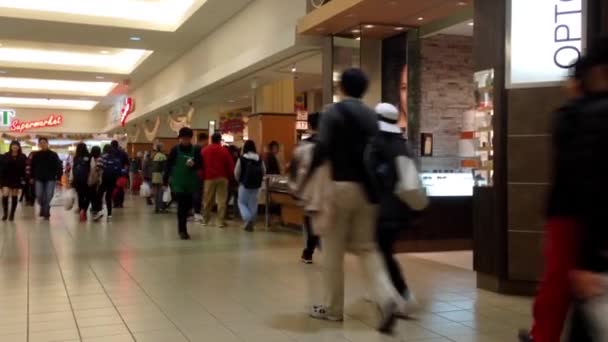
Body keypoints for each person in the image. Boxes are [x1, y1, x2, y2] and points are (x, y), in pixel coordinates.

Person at [520, 37, 608, 342]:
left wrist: (589, 259)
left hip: (572, 218)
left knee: (558, 288)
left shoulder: (577, 116)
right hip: (579, 219)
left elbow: (587, 181)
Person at [308, 68, 402, 334]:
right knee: (367, 249)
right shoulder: (371, 116)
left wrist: (305, 178)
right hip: (368, 191)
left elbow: (322, 147)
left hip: (339, 187)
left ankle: (333, 308)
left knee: (333, 251)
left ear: (341, 88)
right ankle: (387, 299)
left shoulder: (332, 113)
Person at [371, 103, 425, 317]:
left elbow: (371, 175)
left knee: (381, 253)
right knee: (383, 252)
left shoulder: (376, 144)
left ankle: (401, 297)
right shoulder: (403, 145)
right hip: (399, 209)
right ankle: (391, 295)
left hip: (382, 210)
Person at [164, 127, 202, 240]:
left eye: (187, 138)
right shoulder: (175, 150)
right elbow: (168, 165)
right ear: (180, 138)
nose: (184, 141)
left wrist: (194, 165)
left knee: (188, 206)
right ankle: (182, 230)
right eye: (183, 138)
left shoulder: (195, 150)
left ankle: (184, 224)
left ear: (190, 139)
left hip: (191, 182)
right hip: (178, 182)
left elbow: (200, 164)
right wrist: (165, 180)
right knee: (181, 207)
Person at [300, 112, 321, 264]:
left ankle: (308, 252)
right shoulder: (331, 144)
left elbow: (299, 170)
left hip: (310, 189)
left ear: (309, 125)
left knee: (310, 221)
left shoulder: (305, 145)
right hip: (328, 189)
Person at [202, 133, 234, 228]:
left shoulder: (205, 150)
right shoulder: (224, 150)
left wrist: (202, 176)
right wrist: (230, 176)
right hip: (222, 177)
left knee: (208, 200)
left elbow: (201, 164)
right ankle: (220, 221)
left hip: (209, 178)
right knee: (221, 200)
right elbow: (230, 165)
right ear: (220, 140)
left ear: (211, 140)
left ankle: (205, 220)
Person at [234, 140, 265, 232]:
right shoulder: (259, 159)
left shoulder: (242, 158)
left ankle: (248, 219)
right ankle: (251, 222)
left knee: (241, 202)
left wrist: (239, 180)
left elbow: (236, 172)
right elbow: (264, 171)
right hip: (256, 185)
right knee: (253, 203)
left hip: (244, 184)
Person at [31, 137, 62, 220]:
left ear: (47, 143)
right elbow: (32, 167)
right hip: (38, 178)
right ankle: (42, 206)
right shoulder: (36, 155)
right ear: (39, 144)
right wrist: (31, 177)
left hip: (50, 178)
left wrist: (59, 178)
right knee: (39, 195)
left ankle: (46, 212)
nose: (42, 144)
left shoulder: (53, 154)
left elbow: (59, 167)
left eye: (44, 142)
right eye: (41, 143)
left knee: (49, 196)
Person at [1, 141, 26, 221]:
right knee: (5, 194)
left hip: (16, 178)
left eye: (16, 145)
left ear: (19, 147)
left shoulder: (22, 156)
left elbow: (24, 169)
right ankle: (5, 213)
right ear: (11, 146)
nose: (15, 147)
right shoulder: (5, 155)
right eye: (13, 145)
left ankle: (12, 213)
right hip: (6, 178)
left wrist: (24, 179)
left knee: (14, 196)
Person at [98, 144, 123, 221]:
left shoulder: (102, 158)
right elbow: (119, 171)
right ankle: (109, 214)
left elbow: (98, 168)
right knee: (108, 196)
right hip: (113, 180)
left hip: (104, 179)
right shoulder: (116, 159)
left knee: (99, 194)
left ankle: (99, 210)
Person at [71, 143, 91, 222]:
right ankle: (84, 210)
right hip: (87, 179)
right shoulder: (89, 156)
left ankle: (81, 209)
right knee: (88, 195)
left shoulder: (76, 157)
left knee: (80, 195)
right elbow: (91, 168)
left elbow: (73, 169)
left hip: (77, 180)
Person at [192, 132, 209, 222]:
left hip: (194, 174)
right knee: (198, 193)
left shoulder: (194, 148)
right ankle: (197, 212)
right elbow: (200, 163)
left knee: (196, 193)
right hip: (198, 173)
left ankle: (195, 211)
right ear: (204, 140)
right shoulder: (199, 149)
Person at [88, 146, 104, 221]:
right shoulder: (100, 159)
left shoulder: (89, 158)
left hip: (90, 179)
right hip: (98, 180)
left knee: (92, 194)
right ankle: (97, 210)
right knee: (98, 195)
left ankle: (94, 209)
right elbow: (100, 169)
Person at [151, 143, 167, 213]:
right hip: (160, 175)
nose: (164, 148)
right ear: (160, 148)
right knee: (161, 192)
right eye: (163, 147)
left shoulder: (155, 155)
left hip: (154, 175)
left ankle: (156, 207)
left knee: (156, 192)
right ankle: (161, 207)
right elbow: (164, 167)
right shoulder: (162, 156)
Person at [226, 145, 241, 220]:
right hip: (233, 181)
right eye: (236, 151)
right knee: (236, 197)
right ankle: (236, 213)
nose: (237, 153)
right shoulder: (235, 159)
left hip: (229, 180)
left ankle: (226, 213)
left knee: (228, 198)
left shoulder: (228, 158)